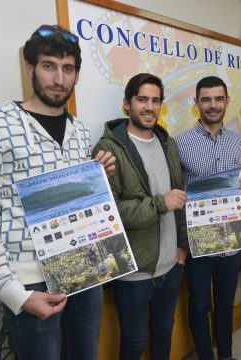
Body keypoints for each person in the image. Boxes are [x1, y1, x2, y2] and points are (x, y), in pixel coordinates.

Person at [0, 25, 116, 359]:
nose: (59, 79)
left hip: (85, 268)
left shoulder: (78, 130)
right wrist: (15, 294)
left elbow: (74, 201)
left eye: (68, 68)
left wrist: (96, 178)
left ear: (76, 75)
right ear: (31, 68)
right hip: (30, 283)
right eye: (49, 66)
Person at [92, 73, 188, 359]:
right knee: (133, 343)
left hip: (171, 265)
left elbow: (179, 197)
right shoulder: (108, 150)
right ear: (127, 104)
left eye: (155, 100)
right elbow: (111, 214)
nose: (149, 106)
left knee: (163, 332)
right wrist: (161, 203)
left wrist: (181, 245)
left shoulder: (167, 143)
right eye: (142, 99)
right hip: (135, 271)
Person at [175, 76, 241, 360]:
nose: (213, 105)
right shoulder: (180, 144)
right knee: (199, 305)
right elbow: (175, 194)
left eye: (218, 99)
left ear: (226, 102)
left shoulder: (239, 142)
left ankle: (225, 355)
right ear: (196, 103)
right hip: (198, 240)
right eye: (206, 99)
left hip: (231, 237)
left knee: (224, 303)